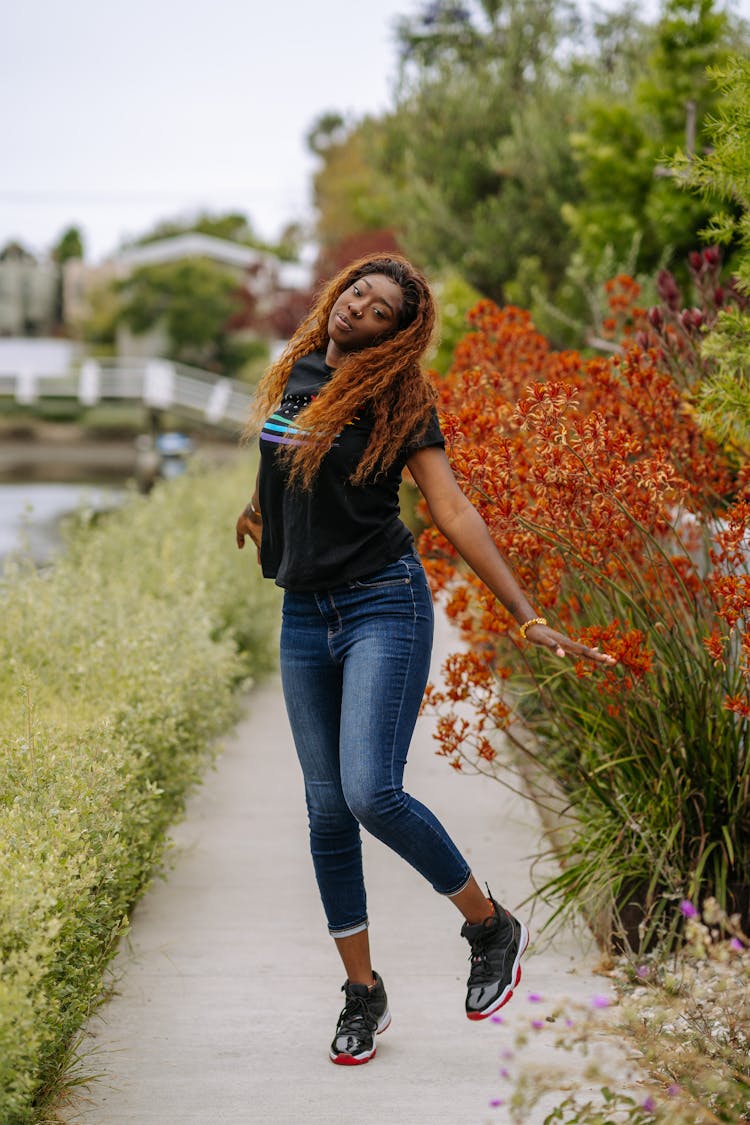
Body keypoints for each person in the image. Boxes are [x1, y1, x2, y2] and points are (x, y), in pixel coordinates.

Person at [235, 254, 614, 1066]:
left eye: (377, 309)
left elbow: (449, 507)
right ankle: (363, 994)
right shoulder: (295, 369)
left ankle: (488, 924)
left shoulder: (401, 396)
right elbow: (284, 460)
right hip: (304, 609)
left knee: (372, 790)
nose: (358, 308)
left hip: (382, 602)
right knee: (327, 811)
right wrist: (260, 508)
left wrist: (528, 613)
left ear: (394, 334)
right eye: (356, 293)